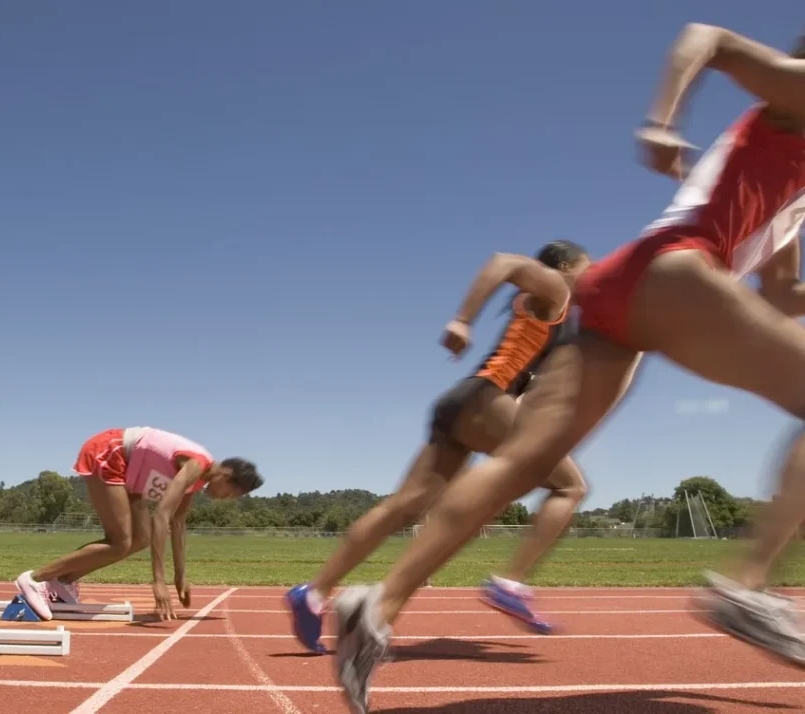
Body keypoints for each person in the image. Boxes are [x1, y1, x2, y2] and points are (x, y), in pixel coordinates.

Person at [331, 24, 805, 713]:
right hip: (677, 271)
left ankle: (377, 606)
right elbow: (709, 38)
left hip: (625, 291)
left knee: (524, 461)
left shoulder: (796, 198)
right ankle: (750, 586)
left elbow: (782, 295)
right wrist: (661, 122)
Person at [283, 241, 591, 653]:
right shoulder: (556, 287)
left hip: (463, 401)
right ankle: (511, 583)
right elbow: (504, 262)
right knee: (569, 487)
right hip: (488, 399)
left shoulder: (551, 309)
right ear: (568, 265)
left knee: (404, 504)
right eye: (587, 269)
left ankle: (315, 592)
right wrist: (462, 320)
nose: (591, 279)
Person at [15, 426, 263, 621]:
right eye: (230, 494)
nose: (224, 500)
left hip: (132, 478)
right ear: (226, 476)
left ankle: (62, 581)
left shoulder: (196, 482)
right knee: (120, 542)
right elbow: (161, 515)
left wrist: (180, 577)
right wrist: (158, 582)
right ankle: (36, 578)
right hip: (110, 451)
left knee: (141, 539)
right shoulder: (196, 465)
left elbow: (177, 524)